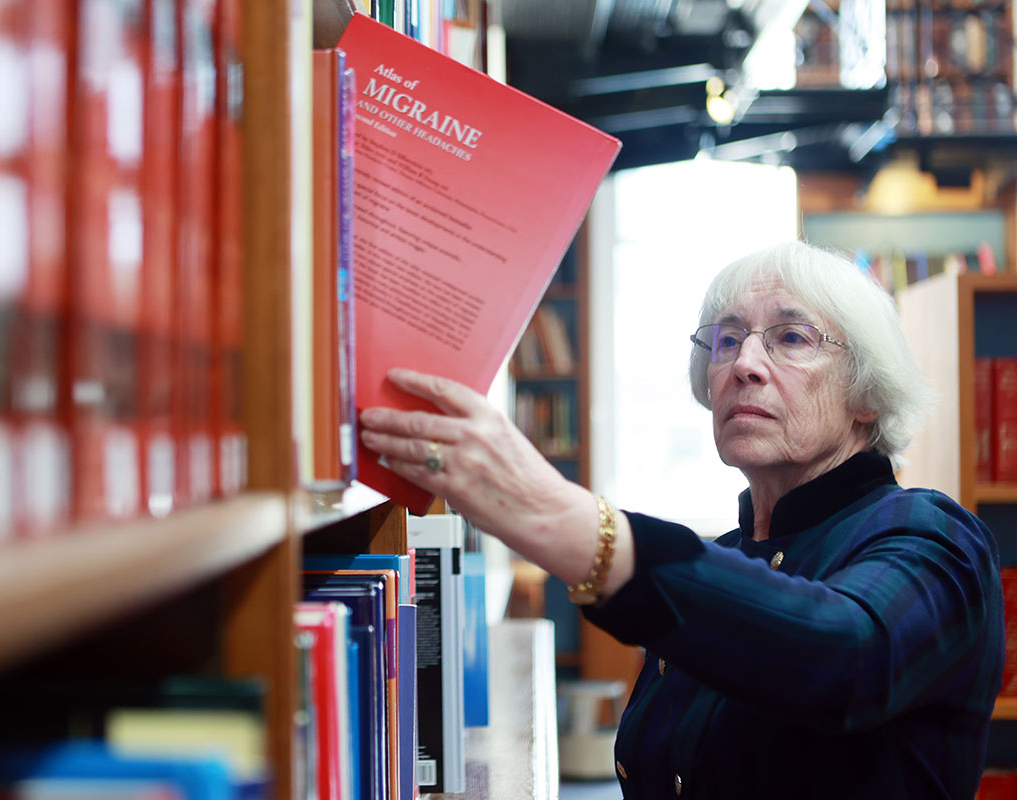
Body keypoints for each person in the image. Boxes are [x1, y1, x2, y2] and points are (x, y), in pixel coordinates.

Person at [358, 240, 1004, 799]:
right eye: (727, 339)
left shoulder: (935, 536)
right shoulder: (723, 557)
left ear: (866, 393)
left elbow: (845, 656)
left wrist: (566, 520)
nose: (744, 365)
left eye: (791, 338)